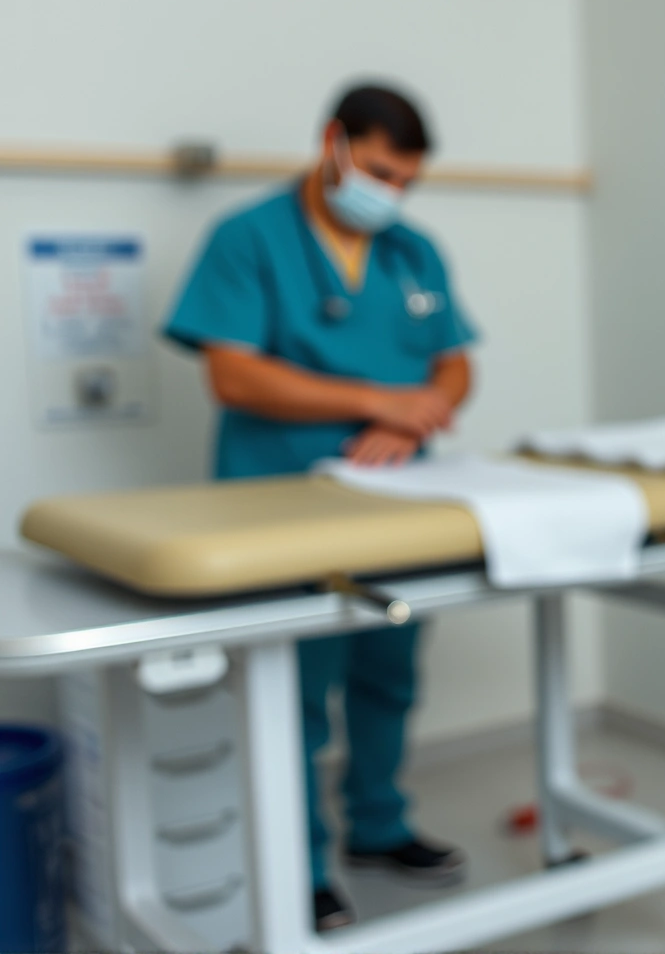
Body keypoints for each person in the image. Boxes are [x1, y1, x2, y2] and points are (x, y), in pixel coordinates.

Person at [162, 82, 477, 931]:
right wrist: (383, 399)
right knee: (294, 688)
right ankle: (298, 865)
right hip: (280, 498)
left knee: (390, 669)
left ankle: (379, 825)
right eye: (378, 171)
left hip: (399, 497)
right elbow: (232, 373)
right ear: (333, 143)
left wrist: (420, 419)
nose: (392, 194)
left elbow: (453, 365)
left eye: (407, 180)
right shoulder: (248, 238)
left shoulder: (414, 251)